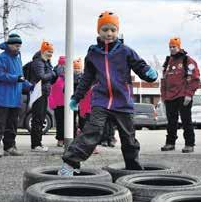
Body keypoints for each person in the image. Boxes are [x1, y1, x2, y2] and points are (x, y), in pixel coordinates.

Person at [58, 11, 158, 176]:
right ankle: (71, 163)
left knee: (128, 137)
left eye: (113, 30)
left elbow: (139, 65)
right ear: (98, 31)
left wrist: (148, 73)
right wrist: (77, 97)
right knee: (92, 131)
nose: (109, 33)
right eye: (105, 29)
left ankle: (133, 170)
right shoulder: (93, 53)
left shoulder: (126, 51)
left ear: (117, 31)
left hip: (123, 101)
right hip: (101, 101)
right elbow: (87, 78)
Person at [160, 37, 200, 153]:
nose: (172, 49)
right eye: (170, 47)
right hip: (169, 97)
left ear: (179, 47)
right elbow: (163, 81)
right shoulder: (167, 62)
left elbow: (194, 78)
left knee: (186, 120)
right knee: (171, 121)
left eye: (174, 47)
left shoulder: (187, 60)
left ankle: (189, 144)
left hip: (183, 96)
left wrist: (189, 94)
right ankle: (170, 143)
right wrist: (163, 96)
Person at [0, 33, 33, 158]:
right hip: (3, 97)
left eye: (19, 46)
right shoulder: (1, 58)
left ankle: (10, 147)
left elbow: (20, 78)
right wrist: (16, 78)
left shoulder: (18, 59)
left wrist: (30, 85)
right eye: (16, 46)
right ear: (9, 45)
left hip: (15, 99)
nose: (18, 48)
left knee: (12, 125)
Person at [30, 41, 62, 152]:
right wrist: (53, 74)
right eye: (49, 51)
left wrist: (54, 74)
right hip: (38, 93)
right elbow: (41, 76)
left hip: (44, 92)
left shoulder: (46, 62)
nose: (50, 54)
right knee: (38, 119)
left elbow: (49, 79)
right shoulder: (38, 62)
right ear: (43, 51)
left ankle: (37, 143)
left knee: (41, 118)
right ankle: (36, 145)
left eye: (52, 52)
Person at [48, 56, 65, 147]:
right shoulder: (54, 75)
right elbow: (51, 90)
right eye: (62, 64)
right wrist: (52, 102)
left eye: (65, 65)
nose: (63, 67)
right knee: (60, 122)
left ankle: (70, 138)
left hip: (69, 103)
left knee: (71, 122)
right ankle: (60, 139)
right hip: (58, 103)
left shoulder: (71, 76)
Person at [73, 58, 83, 137]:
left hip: (78, 101)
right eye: (75, 68)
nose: (77, 70)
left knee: (80, 119)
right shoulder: (83, 78)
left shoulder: (69, 78)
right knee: (76, 119)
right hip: (76, 101)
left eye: (78, 68)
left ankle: (76, 135)